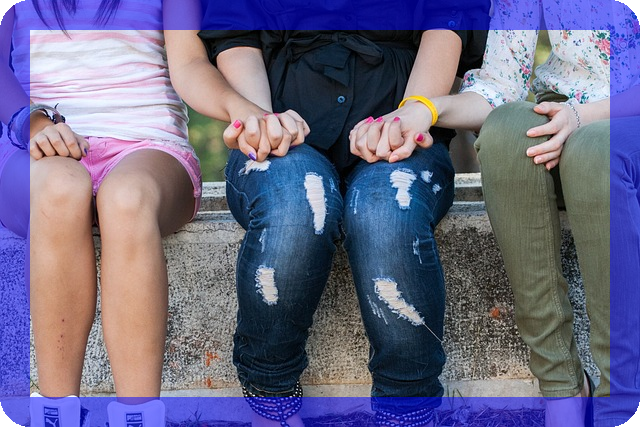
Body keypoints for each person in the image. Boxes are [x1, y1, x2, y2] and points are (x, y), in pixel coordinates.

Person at [167, 0, 491, 425]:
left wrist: (405, 119)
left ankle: (408, 408)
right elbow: (236, 36)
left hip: (406, 117)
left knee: (386, 210)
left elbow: (446, 22)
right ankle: (271, 398)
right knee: (297, 206)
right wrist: (264, 123)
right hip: (278, 117)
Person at [367, 1, 638, 426]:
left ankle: (623, 396)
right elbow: (496, 88)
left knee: (593, 151)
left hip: (615, 126)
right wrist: (426, 109)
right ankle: (562, 390)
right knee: (506, 129)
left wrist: (580, 116)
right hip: (566, 119)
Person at [0, 1, 202, 426]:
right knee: (59, 190)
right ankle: (55, 414)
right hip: (33, 142)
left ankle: (139, 416)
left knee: (128, 200)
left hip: (147, 143)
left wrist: (246, 113)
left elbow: (190, 64)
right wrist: (33, 122)